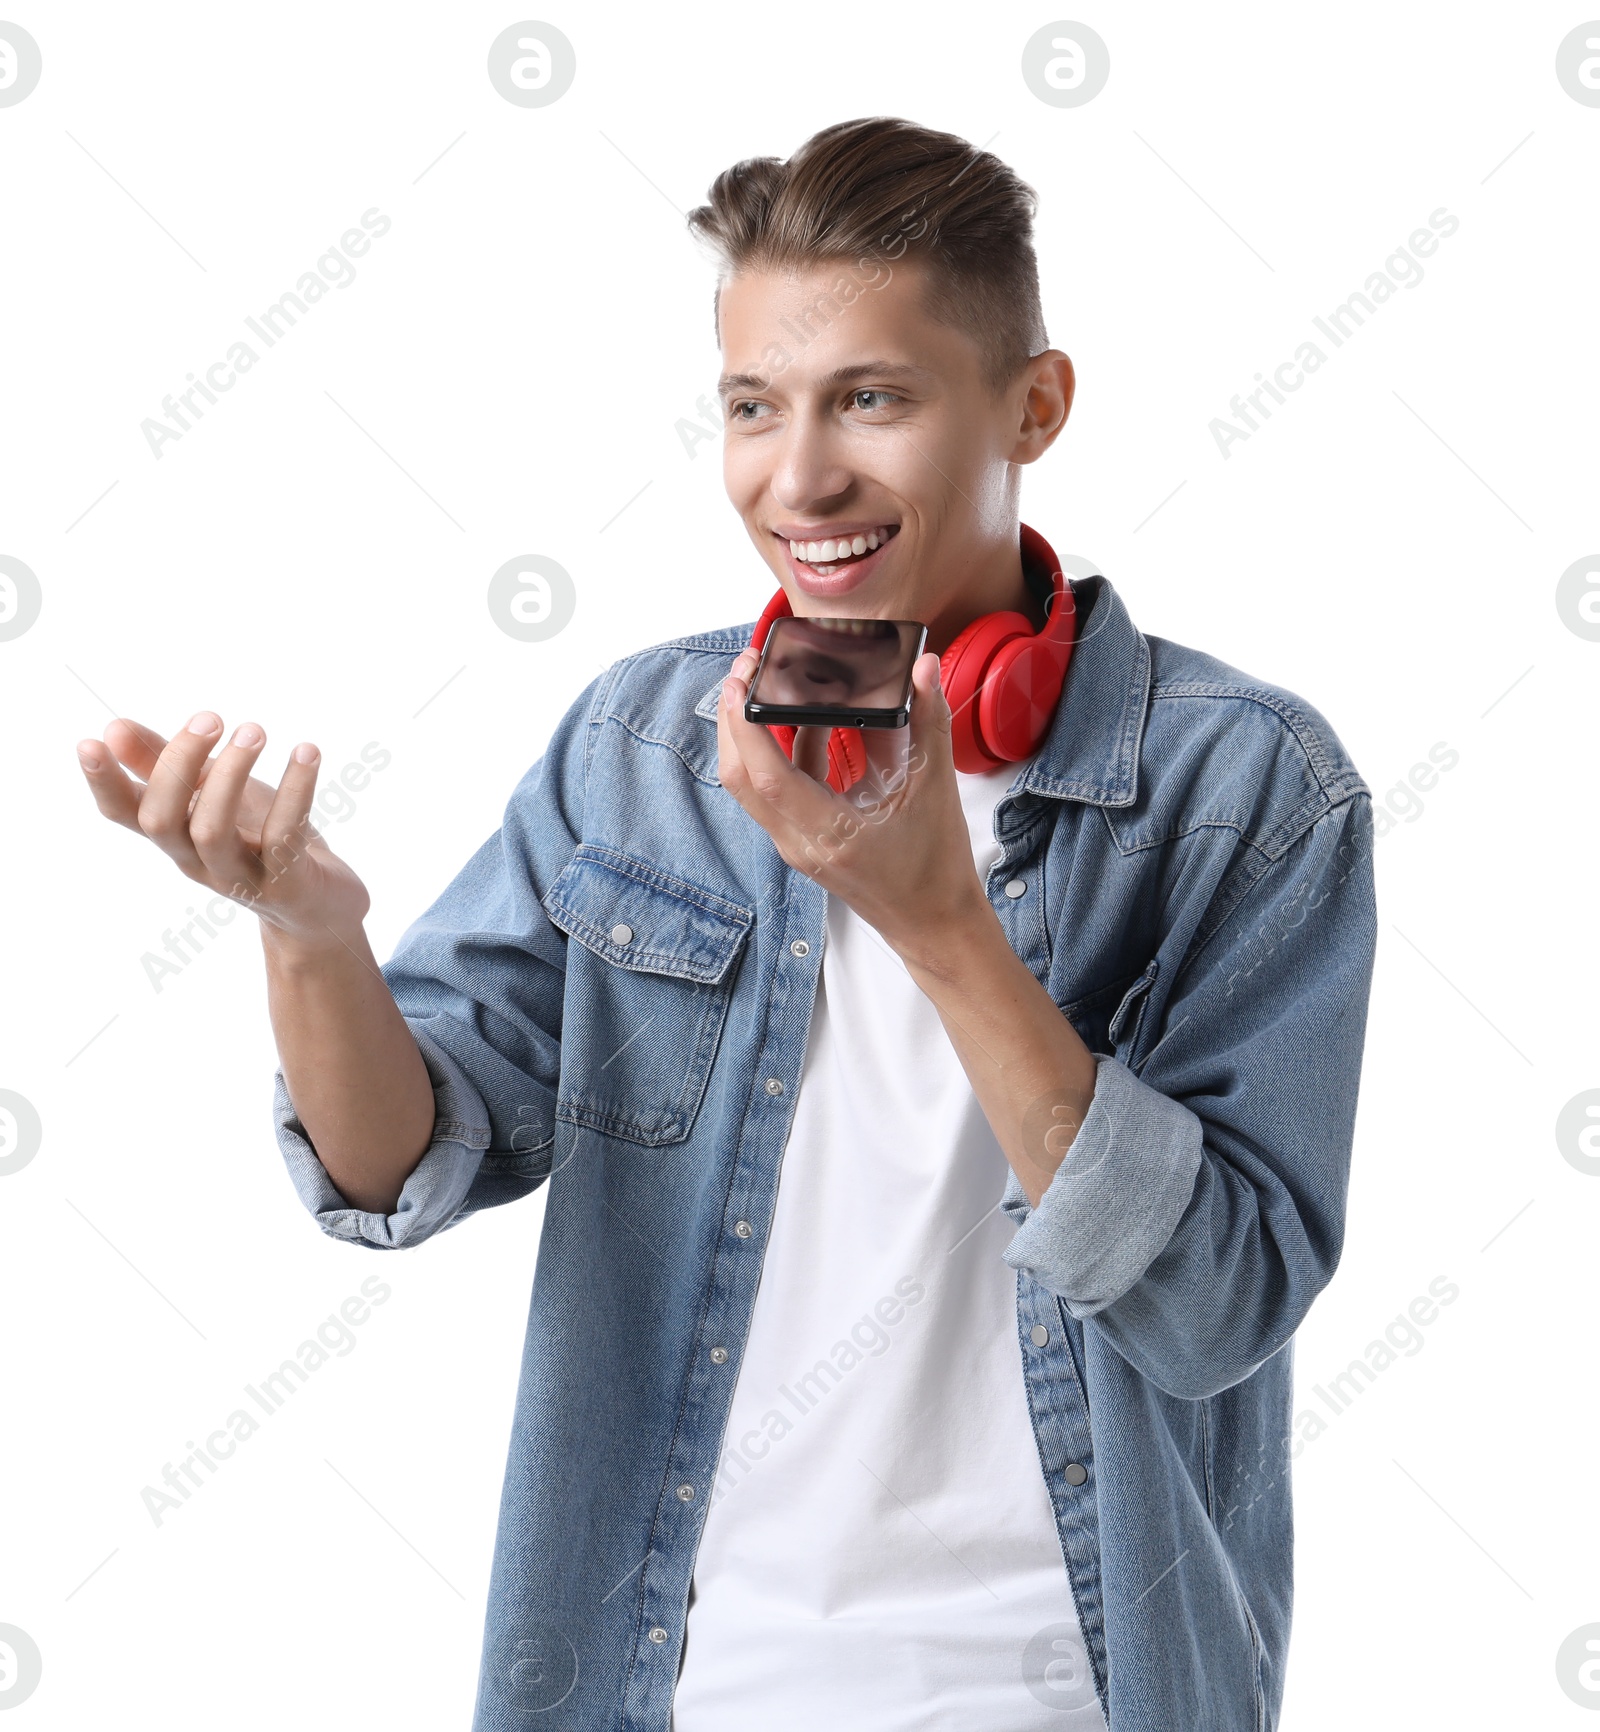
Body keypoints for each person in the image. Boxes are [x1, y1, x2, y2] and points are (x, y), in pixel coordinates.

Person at [76, 116, 1378, 1731]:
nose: (799, 473)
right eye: (754, 406)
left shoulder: (1247, 789)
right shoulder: (642, 749)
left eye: (873, 399)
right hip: (673, 1688)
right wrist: (307, 935)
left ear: (1033, 405)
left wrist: (943, 931)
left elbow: (1222, 1301)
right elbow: (396, 1161)